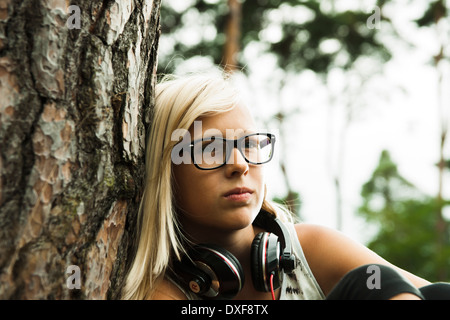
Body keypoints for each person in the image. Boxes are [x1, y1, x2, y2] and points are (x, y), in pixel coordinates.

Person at [121, 71, 448, 300]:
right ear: (165, 171)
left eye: (249, 144)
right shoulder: (161, 292)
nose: (239, 164)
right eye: (210, 148)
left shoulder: (311, 248)